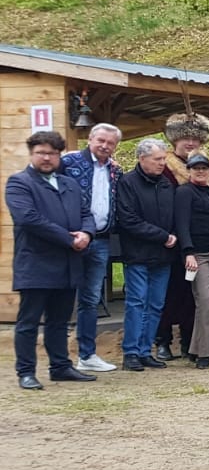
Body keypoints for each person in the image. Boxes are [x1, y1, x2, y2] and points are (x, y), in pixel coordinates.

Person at [7, 130, 95, 390]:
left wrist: (87, 234)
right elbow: (28, 219)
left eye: (52, 153)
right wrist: (70, 239)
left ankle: (60, 367)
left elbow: (86, 213)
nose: (46, 158)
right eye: (41, 153)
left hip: (68, 264)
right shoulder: (19, 182)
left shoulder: (69, 184)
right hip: (36, 263)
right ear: (31, 154)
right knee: (29, 322)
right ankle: (26, 372)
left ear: (59, 155)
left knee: (59, 321)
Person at [58, 121, 122, 373]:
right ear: (90, 140)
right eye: (101, 140)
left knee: (91, 298)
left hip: (101, 240)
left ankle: (87, 354)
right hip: (70, 238)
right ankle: (58, 356)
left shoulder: (115, 170)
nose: (105, 146)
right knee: (62, 295)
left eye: (110, 143)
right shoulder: (69, 162)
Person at [116, 138, 178, 372]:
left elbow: (174, 216)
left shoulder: (166, 184)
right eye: (157, 159)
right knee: (136, 302)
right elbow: (129, 220)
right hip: (138, 254)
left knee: (156, 304)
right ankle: (130, 352)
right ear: (142, 159)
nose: (162, 163)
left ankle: (145, 351)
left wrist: (173, 235)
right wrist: (163, 236)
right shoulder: (127, 183)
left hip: (163, 256)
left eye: (164, 158)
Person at [155, 111, 209, 360]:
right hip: (172, 238)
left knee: (191, 295)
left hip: (197, 240)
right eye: (185, 138)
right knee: (169, 292)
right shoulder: (165, 167)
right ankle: (163, 339)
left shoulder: (205, 167)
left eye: (195, 138)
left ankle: (189, 339)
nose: (190, 142)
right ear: (174, 139)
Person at [172, 153, 209, 368]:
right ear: (189, 171)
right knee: (204, 300)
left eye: (204, 168)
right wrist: (188, 252)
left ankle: (197, 348)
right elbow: (181, 223)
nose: (201, 171)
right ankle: (207, 352)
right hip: (197, 254)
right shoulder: (184, 192)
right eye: (196, 168)